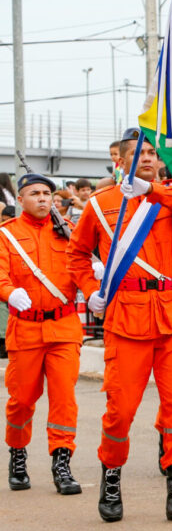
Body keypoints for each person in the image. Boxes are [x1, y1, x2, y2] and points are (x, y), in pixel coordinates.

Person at [68, 129, 172, 524]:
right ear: (120, 160)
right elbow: (77, 254)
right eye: (139, 153)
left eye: (153, 153)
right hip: (126, 317)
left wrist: (152, 190)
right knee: (120, 411)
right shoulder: (101, 203)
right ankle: (111, 476)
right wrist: (90, 290)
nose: (148, 158)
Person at [1, 173, 86, 495]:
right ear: (20, 199)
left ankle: (62, 463)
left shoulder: (69, 231)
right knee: (21, 399)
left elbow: (82, 269)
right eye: (34, 193)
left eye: (47, 193)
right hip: (26, 328)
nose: (42, 198)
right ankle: (18, 454)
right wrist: (9, 292)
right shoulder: (7, 234)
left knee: (64, 398)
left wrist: (94, 283)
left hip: (63, 326)